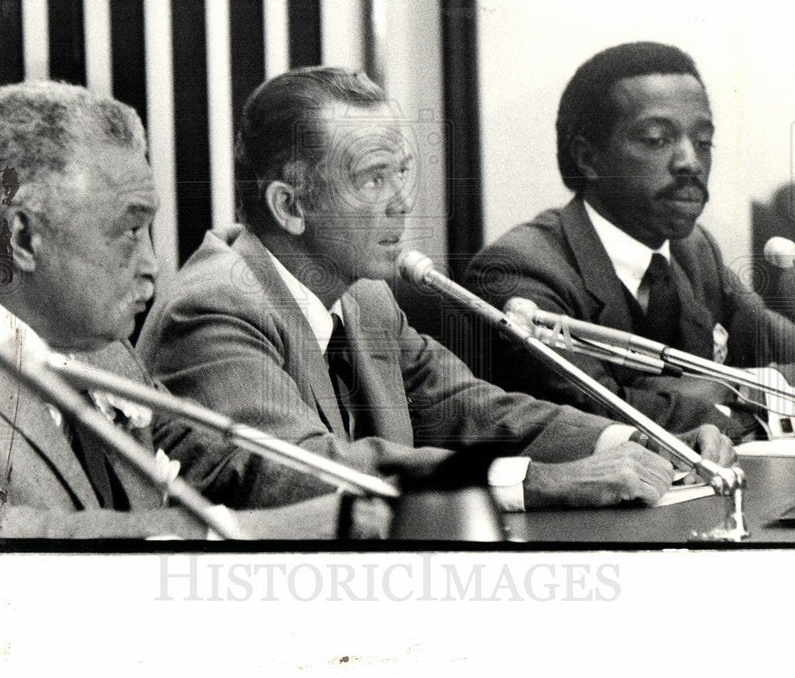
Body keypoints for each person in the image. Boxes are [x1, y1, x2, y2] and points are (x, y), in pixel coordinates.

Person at [137, 66, 735, 514]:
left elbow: (474, 409)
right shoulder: (215, 307)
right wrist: (534, 481)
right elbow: (303, 470)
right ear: (290, 207)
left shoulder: (365, 297)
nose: (402, 199)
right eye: (374, 177)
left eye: (402, 171)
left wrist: (641, 440)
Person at [0, 80, 384, 540]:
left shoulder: (99, 348)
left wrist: (416, 482)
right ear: (23, 237)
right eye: (130, 230)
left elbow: (231, 460)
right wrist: (251, 531)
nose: (152, 263)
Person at [465, 41, 795, 440]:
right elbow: (600, 421)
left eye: (703, 142)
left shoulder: (693, 250)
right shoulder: (520, 271)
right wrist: (755, 408)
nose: (690, 161)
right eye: (656, 139)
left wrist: (732, 384)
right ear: (588, 158)